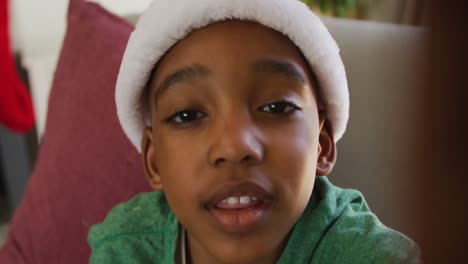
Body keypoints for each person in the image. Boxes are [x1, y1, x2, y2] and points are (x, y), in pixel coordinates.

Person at [88, 0, 420, 263]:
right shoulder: (126, 248)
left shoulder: (372, 257)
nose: (235, 146)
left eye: (277, 107)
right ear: (154, 161)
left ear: (322, 144)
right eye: (188, 114)